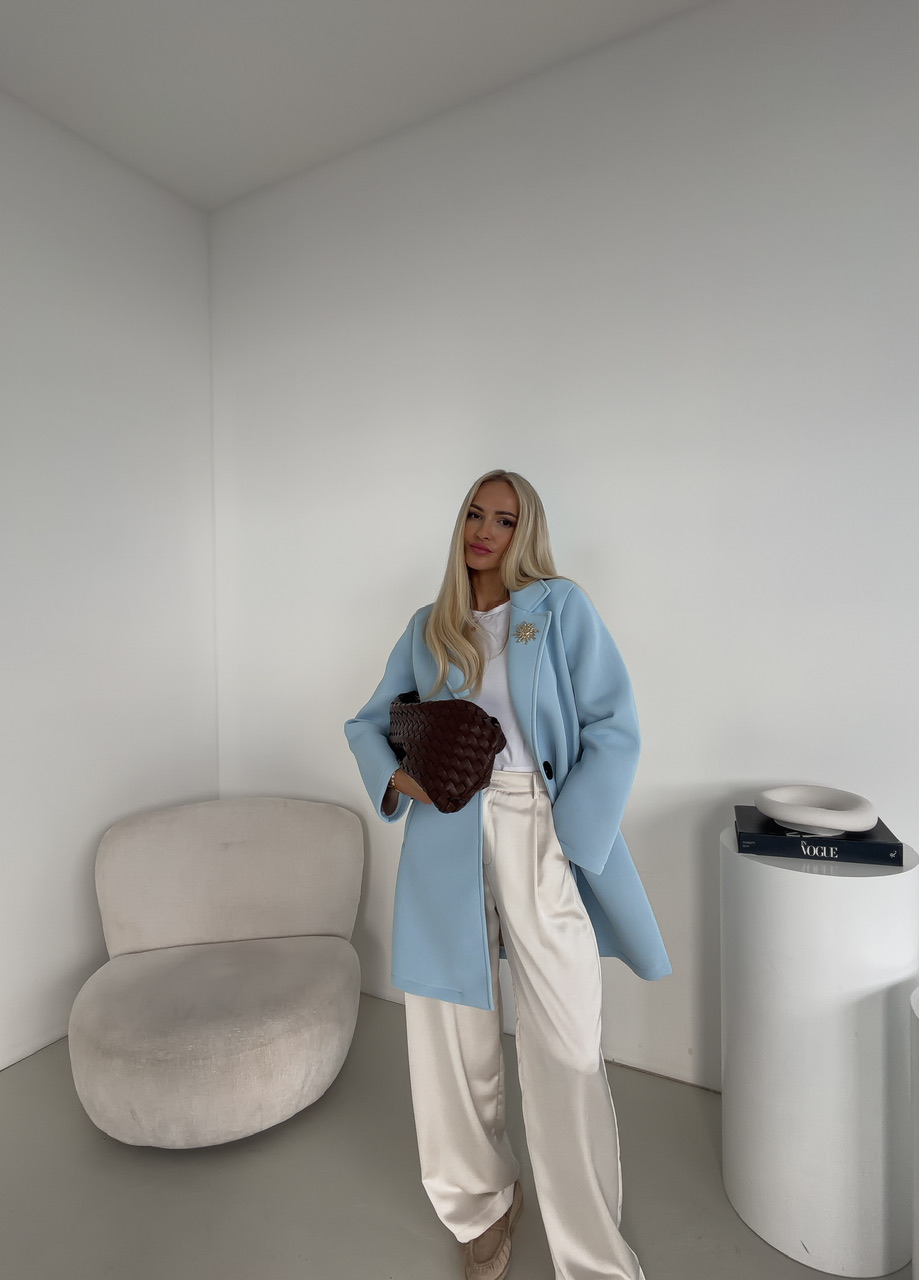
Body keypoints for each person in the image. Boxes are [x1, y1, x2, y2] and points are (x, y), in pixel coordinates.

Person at [345, 469, 670, 1280]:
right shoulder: (430, 627)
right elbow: (368, 724)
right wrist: (402, 780)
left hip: (538, 825)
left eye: (503, 519)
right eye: (474, 514)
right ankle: (480, 1204)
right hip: (445, 833)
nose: (484, 531)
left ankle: (592, 1254)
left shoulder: (560, 609)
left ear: (526, 532)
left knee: (568, 1042)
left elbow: (615, 727)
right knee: (450, 1036)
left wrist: (570, 836)